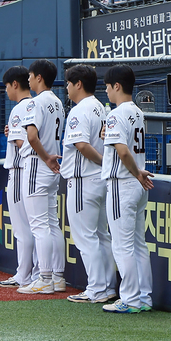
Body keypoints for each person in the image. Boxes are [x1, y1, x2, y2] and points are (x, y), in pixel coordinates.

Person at [61, 64, 118, 304]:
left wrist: (104, 162)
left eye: (68, 83)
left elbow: (82, 146)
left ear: (78, 84)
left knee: (86, 237)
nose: (66, 88)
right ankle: (107, 287)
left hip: (83, 179)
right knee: (101, 236)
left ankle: (96, 289)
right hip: (100, 181)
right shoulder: (101, 107)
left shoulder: (79, 109)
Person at [101, 64, 154, 313]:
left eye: (108, 87)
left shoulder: (116, 113)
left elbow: (123, 152)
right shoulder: (137, 111)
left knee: (122, 245)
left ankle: (130, 299)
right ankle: (144, 297)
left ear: (117, 86)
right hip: (137, 183)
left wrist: (135, 173)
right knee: (138, 243)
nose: (107, 92)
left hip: (124, 182)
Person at [19, 59, 66, 294]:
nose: (28, 79)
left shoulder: (34, 103)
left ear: (39, 77)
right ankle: (57, 277)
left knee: (39, 225)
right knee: (51, 223)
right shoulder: (58, 102)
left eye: (30, 75)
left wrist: (46, 157)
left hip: (39, 164)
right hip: (52, 167)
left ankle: (45, 278)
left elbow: (31, 137)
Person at [1, 67, 40, 292]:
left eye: (7, 86)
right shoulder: (35, 104)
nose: (6, 91)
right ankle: (33, 273)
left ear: (15, 84)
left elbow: (21, 142)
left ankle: (24, 274)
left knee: (22, 227)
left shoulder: (19, 108)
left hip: (20, 169)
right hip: (34, 169)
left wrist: (14, 138)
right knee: (34, 226)